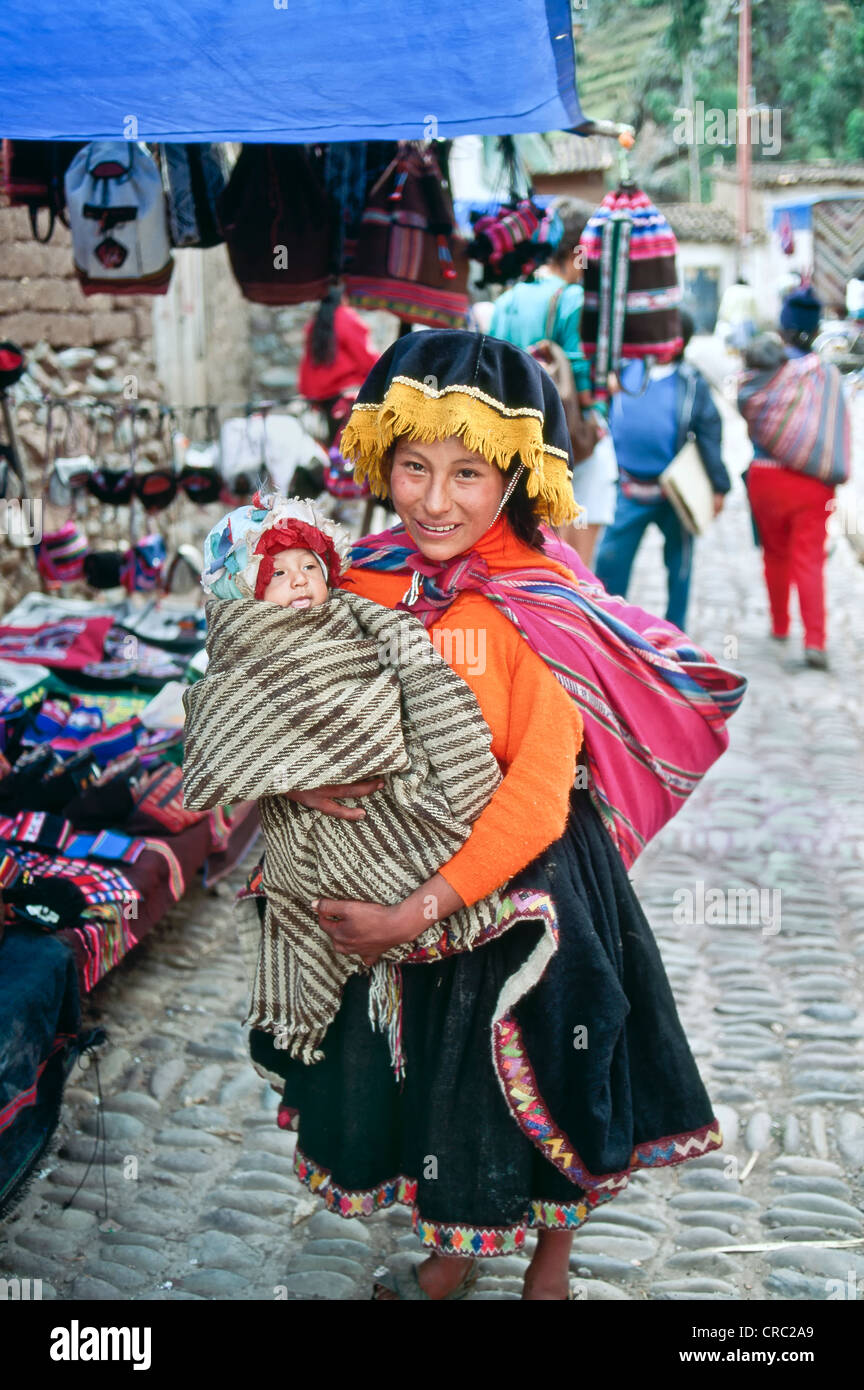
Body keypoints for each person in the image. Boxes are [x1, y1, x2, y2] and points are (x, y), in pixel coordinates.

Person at [242, 330, 745, 1301]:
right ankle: (454, 1251)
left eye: (468, 471)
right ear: (379, 457)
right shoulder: (363, 577)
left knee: (546, 1073)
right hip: (389, 885)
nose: (433, 499)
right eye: (413, 465)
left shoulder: (541, 609)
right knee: (437, 1086)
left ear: (518, 476)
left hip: (526, 889)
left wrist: (420, 909)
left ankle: (550, 1261)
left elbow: (536, 790)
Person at [183, 493, 517, 1078]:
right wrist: (291, 773)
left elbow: (416, 670)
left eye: (310, 567)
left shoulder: (360, 612)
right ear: (246, 592)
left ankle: (402, 905)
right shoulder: (242, 643)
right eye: (278, 574)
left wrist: (402, 747)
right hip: (312, 827)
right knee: (315, 890)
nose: (300, 583)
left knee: (413, 835)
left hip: (391, 794)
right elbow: (223, 730)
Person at [489, 202, 614, 566]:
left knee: (527, 543)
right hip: (566, 439)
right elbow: (577, 365)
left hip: (514, 440)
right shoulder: (571, 298)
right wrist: (596, 412)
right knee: (572, 558)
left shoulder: (506, 300)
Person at [594, 310, 730, 632]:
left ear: (679, 341)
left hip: (673, 493)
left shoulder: (692, 384)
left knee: (679, 566)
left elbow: (710, 434)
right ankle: (608, 627)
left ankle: (675, 630)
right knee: (611, 561)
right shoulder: (625, 371)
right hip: (629, 489)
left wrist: (718, 487)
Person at [737, 287, 850, 670]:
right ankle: (815, 639)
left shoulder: (765, 367)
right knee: (810, 558)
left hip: (766, 476)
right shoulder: (828, 375)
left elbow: (748, 406)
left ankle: (781, 624)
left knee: (775, 552)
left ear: (784, 328)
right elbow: (835, 429)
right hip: (813, 484)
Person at [716, 275, 758, 349]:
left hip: (733, 321)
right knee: (748, 346)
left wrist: (723, 319)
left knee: (734, 345)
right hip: (748, 321)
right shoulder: (749, 291)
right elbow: (755, 310)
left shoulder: (730, 290)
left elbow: (724, 308)